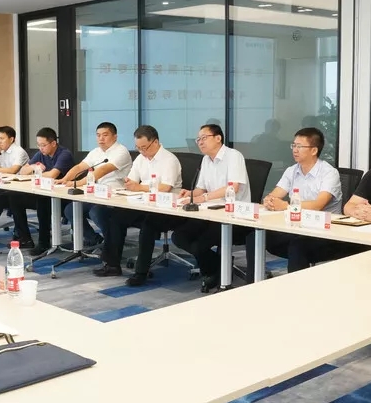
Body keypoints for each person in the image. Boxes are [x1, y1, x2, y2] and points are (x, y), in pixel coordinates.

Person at [245, 127, 342, 275]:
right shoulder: (292, 170)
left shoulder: (329, 173)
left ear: (314, 150)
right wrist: (269, 200)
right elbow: (275, 194)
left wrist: (286, 206)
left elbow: (318, 205)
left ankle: (295, 288)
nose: (295, 150)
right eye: (294, 145)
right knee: (255, 236)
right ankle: (254, 281)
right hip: (295, 227)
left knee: (297, 245)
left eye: (300, 146)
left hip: (324, 232)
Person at [94, 125, 182, 286]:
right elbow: (131, 181)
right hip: (144, 204)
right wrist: (130, 184)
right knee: (116, 218)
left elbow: (165, 187)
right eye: (138, 148)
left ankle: (141, 272)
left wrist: (139, 187)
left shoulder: (169, 160)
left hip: (167, 208)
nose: (142, 151)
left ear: (155, 142)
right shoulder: (141, 158)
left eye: (144, 147)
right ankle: (112, 265)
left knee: (148, 225)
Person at [171, 124, 250, 291]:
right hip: (209, 212)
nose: (200, 142)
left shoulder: (234, 156)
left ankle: (214, 273)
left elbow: (233, 187)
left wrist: (204, 197)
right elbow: (202, 189)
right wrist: (190, 194)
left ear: (218, 138)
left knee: (200, 244)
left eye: (204, 138)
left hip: (232, 215)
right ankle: (219, 266)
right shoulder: (206, 159)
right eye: (198, 139)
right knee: (179, 236)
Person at [54, 121, 133, 247]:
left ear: (115, 137)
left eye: (105, 135)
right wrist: (64, 179)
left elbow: (102, 170)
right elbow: (80, 167)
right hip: (98, 195)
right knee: (70, 209)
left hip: (116, 197)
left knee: (96, 212)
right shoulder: (96, 152)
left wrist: (77, 183)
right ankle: (94, 239)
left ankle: (112, 243)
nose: (101, 138)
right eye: (98, 135)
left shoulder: (121, 151)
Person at [5, 127, 75, 256]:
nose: (40, 148)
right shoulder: (41, 154)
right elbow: (23, 171)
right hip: (46, 193)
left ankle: (44, 242)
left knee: (42, 201)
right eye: (38, 145)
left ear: (53, 143)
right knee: (14, 197)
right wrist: (33, 166)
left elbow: (53, 175)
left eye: (43, 145)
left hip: (65, 197)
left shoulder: (64, 154)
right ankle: (25, 237)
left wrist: (36, 173)